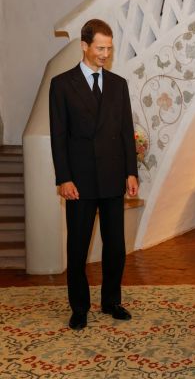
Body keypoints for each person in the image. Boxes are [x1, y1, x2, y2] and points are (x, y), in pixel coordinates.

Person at [49, 19, 138, 330]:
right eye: (100, 48)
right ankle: (79, 307)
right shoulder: (62, 85)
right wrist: (64, 178)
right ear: (84, 46)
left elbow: (126, 131)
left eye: (109, 49)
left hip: (113, 177)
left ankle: (111, 301)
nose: (105, 54)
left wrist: (131, 172)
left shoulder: (118, 84)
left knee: (116, 247)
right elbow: (58, 136)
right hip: (80, 181)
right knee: (78, 248)